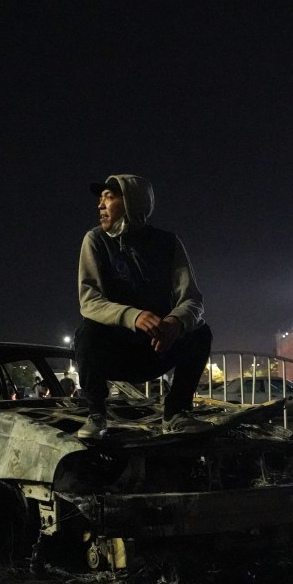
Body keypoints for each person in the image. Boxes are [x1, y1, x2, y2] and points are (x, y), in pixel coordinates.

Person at [74, 175, 214, 439]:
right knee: (86, 333)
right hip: (117, 350)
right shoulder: (95, 240)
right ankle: (96, 415)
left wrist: (175, 322)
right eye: (100, 199)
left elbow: (192, 299)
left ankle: (176, 412)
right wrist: (132, 316)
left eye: (109, 197)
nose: (100, 206)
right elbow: (89, 300)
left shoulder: (168, 242)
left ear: (132, 202)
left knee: (200, 333)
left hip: (157, 346)